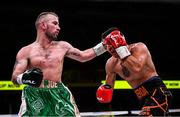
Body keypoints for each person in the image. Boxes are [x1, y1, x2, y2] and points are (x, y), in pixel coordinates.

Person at [11, 11, 106, 116]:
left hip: (59, 94)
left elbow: (84, 56)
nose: (59, 27)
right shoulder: (25, 51)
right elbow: (14, 78)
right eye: (55, 23)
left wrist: (105, 45)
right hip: (34, 96)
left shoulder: (63, 46)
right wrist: (25, 78)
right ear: (43, 25)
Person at [96, 27, 172, 116]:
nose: (109, 48)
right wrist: (104, 91)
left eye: (110, 43)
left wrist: (120, 49)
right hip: (143, 99)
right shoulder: (111, 63)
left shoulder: (139, 48)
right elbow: (108, 89)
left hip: (159, 93)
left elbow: (136, 68)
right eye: (105, 46)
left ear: (119, 40)